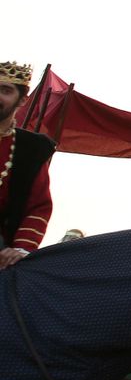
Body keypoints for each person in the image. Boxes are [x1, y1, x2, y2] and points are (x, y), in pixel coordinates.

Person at [0, 61, 55, 268]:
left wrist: (21, 249)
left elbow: (38, 208)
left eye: (5, 90)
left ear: (22, 100)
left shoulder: (30, 149)